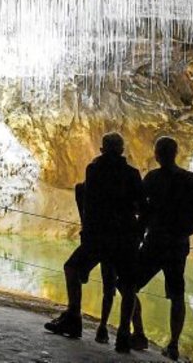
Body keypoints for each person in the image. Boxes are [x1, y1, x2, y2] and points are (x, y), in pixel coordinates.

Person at [45, 132, 144, 353]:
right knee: (128, 286)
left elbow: (90, 204)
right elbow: (141, 207)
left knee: (72, 268)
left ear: (102, 150)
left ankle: (74, 317)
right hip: (125, 238)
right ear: (122, 151)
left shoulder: (95, 169)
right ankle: (123, 335)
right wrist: (137, 233)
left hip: (99, 237)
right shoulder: (132, 174)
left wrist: (87, 232)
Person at [135, 137, 193, 361]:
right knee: (177, 295)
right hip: (179, 245)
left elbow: (139, 203)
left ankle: (138, 334)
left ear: (157, 155)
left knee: (128, 284)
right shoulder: (190, 179)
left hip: (155, 242)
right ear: (176, 153)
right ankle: (173, 345)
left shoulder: (153, 178)